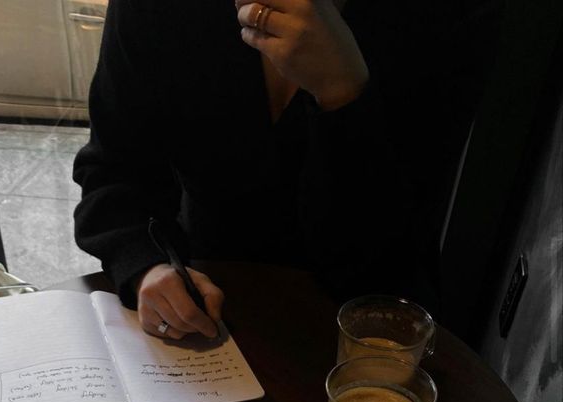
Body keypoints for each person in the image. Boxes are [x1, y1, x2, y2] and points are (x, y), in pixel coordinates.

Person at [73, 0, 501, 339]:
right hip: (211, 308)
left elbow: (392, 243)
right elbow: (114, 170)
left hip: (371, 326)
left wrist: (343, 94)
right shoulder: (160, 8)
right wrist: (147, 263)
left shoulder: (448, 14)